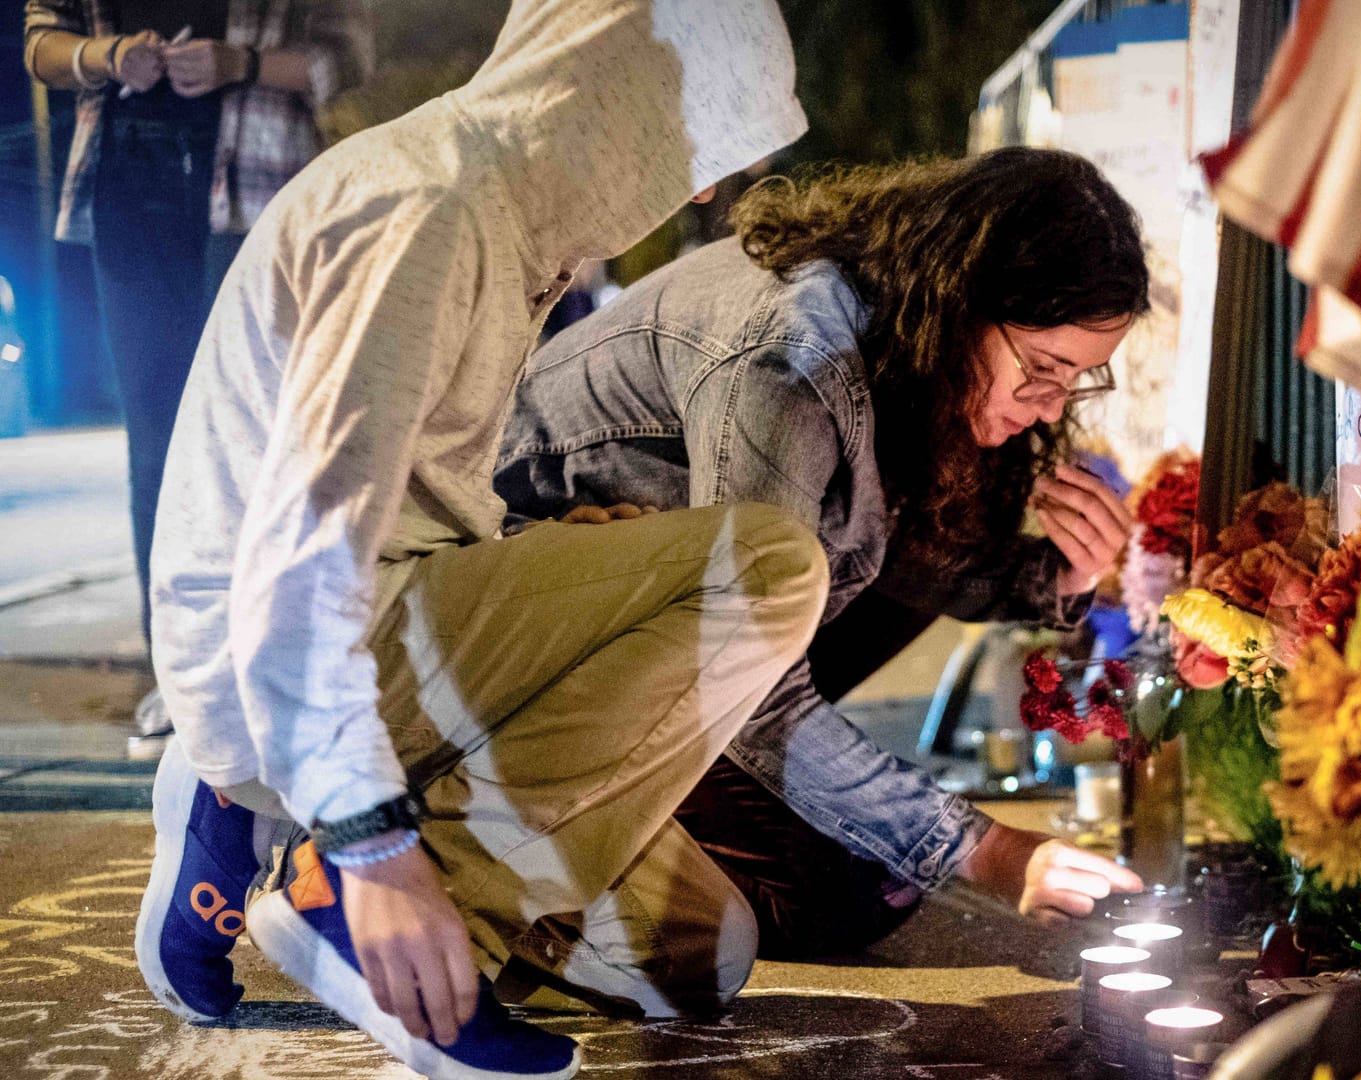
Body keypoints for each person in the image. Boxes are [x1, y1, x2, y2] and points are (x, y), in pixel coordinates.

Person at [137, 2, 817, 1077]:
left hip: (381, 627)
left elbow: (409, 489)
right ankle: (330, 879)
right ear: (616, 92)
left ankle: (261, 815)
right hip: (295, 646)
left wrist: (534, 553)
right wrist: (380, 849)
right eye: (701, 144)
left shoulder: (504, 221)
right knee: (769, 567)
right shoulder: (429, 209)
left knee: (698, 957)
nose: (695, 190)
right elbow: (305, 553)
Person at [493, 147, 1151, 971]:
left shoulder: (897, 343)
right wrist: (987, 853)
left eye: (1078, 380)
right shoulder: (790, 369)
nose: (1051, 405)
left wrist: (1055, 577)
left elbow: (889, 553)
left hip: (664, 640)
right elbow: (748, 677)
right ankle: (508, 843)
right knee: (818, 903)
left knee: (872, 874)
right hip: (524, 666)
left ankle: (650, 821)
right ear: (956, 301)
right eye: (1041, 369)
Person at [22, 0, 374, 738]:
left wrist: (237, 65)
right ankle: (183, 680)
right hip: (123, 194)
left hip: (257, 198)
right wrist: (109, 56)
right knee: (157, 440)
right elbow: (41, 43)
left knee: (264, 435)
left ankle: (279, 664)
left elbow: (347, 59)